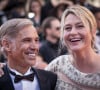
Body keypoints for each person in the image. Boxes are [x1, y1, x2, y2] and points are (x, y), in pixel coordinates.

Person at [45, 5, 100, 90]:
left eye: (80, 26)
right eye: (68, 28)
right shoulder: (56, 66)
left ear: (93, 30)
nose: (73, 32)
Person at [0, 18, 57, 90]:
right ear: (7, 45)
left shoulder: (51, 79)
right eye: (27, 40)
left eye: (36, 40)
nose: (34, 47)